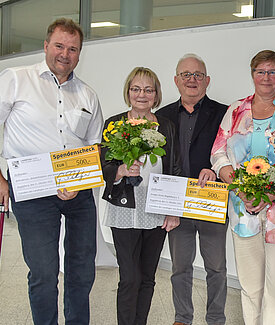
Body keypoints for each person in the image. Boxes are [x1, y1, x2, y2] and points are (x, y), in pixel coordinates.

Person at [0, 18, 103, 324]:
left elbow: (94, 146)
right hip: (32, 188)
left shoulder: (88, 95)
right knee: (43, 271)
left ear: (79, 54)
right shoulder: (15, 79)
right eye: (59, 46)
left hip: (77, 190)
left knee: (82, 269)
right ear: (45, 46)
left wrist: (80, 182)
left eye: (72, 48)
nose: (65, 54)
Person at [210, 50, 275, 325]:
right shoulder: (236, 109)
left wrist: (273, 193)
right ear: (252, 74)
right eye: (261, 71)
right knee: (250, 286)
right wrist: (241, 189)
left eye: (273, 71)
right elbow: (218, 153)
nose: (267, 77)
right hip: (243, 211)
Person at [100, 67, 181, 325]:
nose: (142, 94)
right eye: (136, 89)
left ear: (156, 95)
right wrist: (121, 170)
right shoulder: (114, 124)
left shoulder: (166, 125)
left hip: (156, 206)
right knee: (130, 277)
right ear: (128, 92)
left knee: (147, 277)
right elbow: (103, 166)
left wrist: (173, 209)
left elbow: (174, 168)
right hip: (124, 206)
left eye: (148, 89)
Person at [156, 54, 228, 325]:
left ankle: (216, 319)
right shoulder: (161, 116)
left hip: (211, 199)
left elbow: (231, 152)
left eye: (198, 74)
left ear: (207, 80)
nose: (192, 80)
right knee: (180, 267)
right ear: (176, 80)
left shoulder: (224, 113)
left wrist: (216, 168)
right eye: (186, 74)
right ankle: (182, 318)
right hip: (177, 204)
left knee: (216, 268)